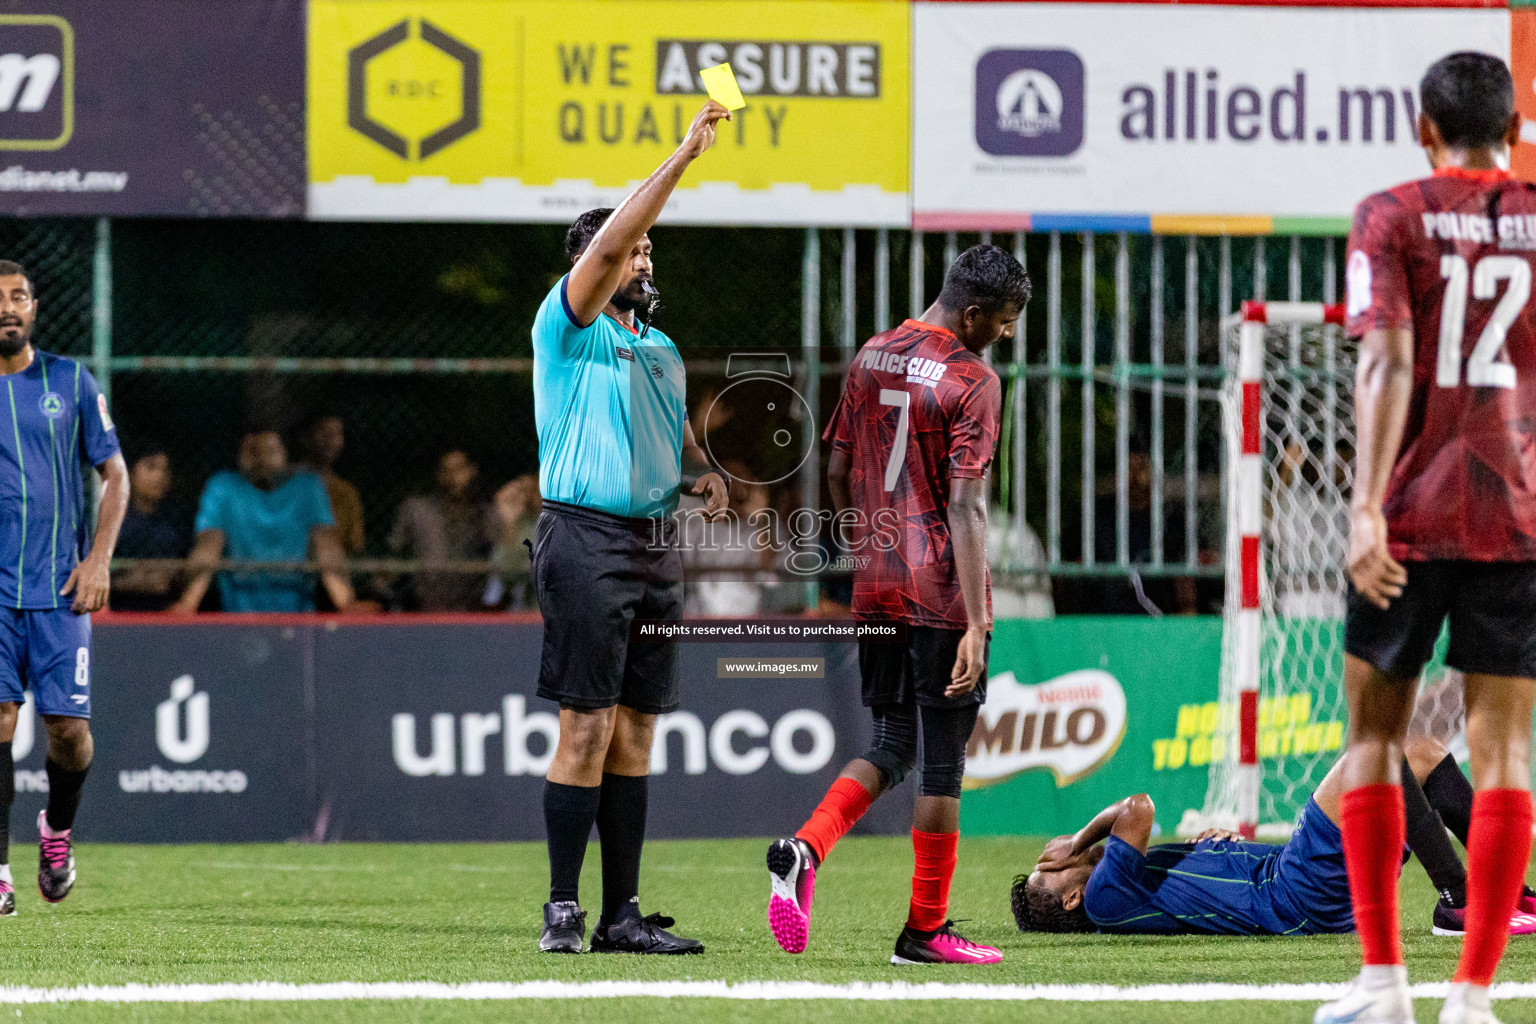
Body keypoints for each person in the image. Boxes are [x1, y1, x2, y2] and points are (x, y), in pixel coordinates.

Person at [1318, 51, 1536, 1024]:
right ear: (1516, 127)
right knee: (1504, 752)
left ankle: (1384, 988)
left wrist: (1365, 504)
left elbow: (1388, 360)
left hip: (1408, 517)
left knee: (1373, 738)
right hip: (1517, 514)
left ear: (1425, 128)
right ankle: (1476, 998)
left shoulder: (1392, 211)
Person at [765, 244, 1029, 966]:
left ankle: (806, 847)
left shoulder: (873, 354)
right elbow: (968, 505)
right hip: (942, 592)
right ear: (973, 313)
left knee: (890, 745)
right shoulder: (974, 379)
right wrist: (977, 618)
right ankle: (925, 931)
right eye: (1002, 322)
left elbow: (842, 467)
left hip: (877, 583)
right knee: (943, 769)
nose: (1004, 335)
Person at [531, 99, 731, 955]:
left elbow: (671, 423)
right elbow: (610, 242)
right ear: (592, 262)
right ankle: (562, 908)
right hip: (584, 538)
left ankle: (621, 915)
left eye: (650, 249)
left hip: (654, 545)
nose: (643, 257)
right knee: (587, 723)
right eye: (632, 247)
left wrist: (702, 475)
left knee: (638, 728)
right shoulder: (566, 324)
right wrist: (683, 157)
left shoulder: (658, 344)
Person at [1016, 737, 1536, 939]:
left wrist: (1219, 849)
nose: (1059, 847)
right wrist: (1079, 841)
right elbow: (1136, 809)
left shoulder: (1133, 887)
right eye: (1054, 864)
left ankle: (1509, 889)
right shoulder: (1105, 901)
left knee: (1419, 755)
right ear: (1071, 895)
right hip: (1294, 893)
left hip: (1299, 886)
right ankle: (1458, 903)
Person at [0, 259, 128, 912]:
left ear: (36, 307)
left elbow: (116, 475)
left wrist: (99, 558)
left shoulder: (70, 380)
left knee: (69, 733)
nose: (7, 307)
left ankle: (56, 831)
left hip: (60, 589)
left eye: (18, 296)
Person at [173, 429, 354, 613]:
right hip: (239, 616)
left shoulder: (308, 487)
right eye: (253, 452)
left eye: (270, 451)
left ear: (286, 455)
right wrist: (188, 603)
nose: (261, 460)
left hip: (296, 615)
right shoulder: (223, 487)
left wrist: (346, 603)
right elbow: (209, 546)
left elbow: (327, 547)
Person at [388, 449, 497, 612]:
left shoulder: (485, 513)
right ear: (439, 474)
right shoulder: (418, 510)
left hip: (470, 603)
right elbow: (394, 549)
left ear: (471, 471)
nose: (453, 478)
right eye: (447, 471)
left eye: (459, 470)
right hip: (426, 601)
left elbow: (501, 546)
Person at [110, 442, 190, 612]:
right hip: (118, 608)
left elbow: (182, 572)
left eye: (165, 470)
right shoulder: (113, 518)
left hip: (163, 609)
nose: (159, 476)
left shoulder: (175, 523)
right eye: (151, 467)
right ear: (130, 473)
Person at [298, 415, 365, 558]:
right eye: (323, 432)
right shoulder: (287, 482)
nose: (330, 439)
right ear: (305, 438)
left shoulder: (347, 492)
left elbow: (354, 544)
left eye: (336, 434)